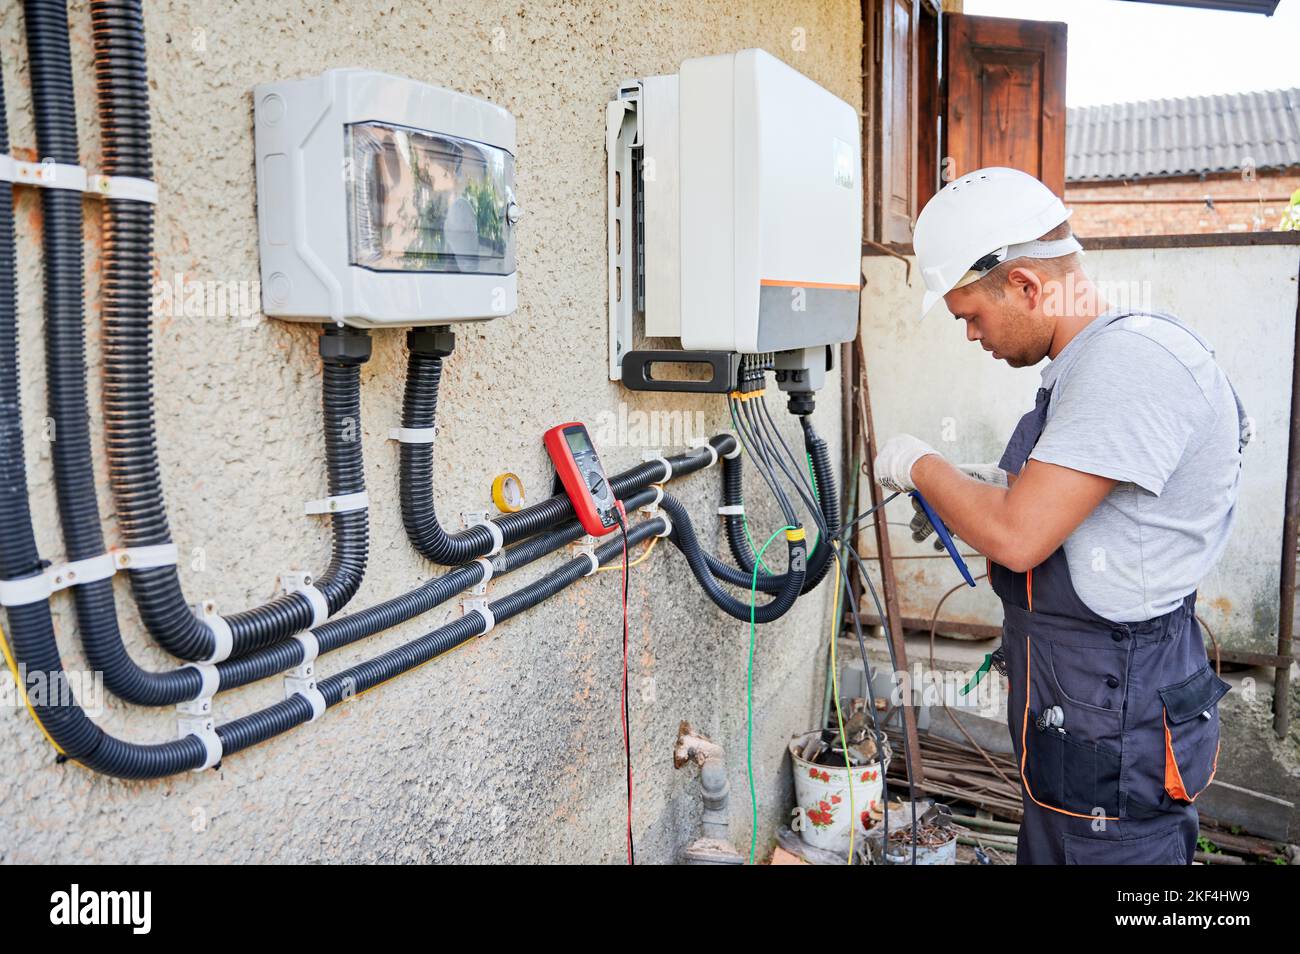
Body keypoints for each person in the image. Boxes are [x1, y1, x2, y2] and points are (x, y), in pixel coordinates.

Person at [872, 167, 1247, 864]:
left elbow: (1019, 534)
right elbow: (1061, 503)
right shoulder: (1091, 365)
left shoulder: (1127, 364)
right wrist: (979, 490)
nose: (971, 336)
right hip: (1080, 714)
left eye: (971, 316)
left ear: (1024, 284)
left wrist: (920, 465)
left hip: (1118, 727)